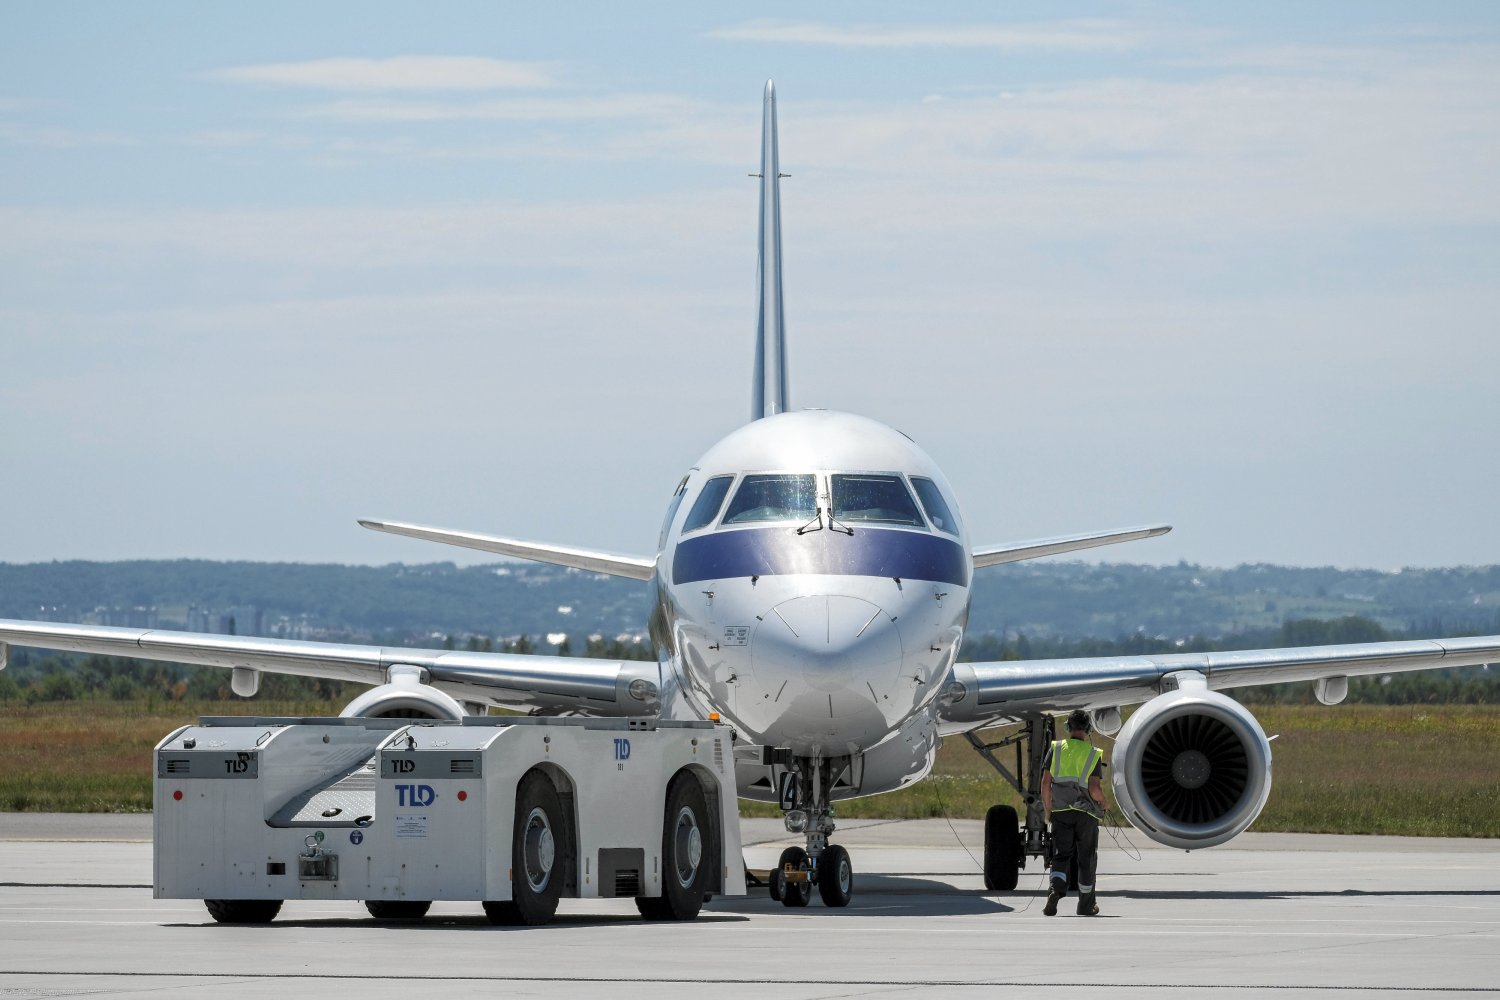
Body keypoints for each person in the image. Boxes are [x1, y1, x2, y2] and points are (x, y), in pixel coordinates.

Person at [1039, 708, 1108, 916]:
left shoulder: (1056, 749)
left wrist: (1049, 809)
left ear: (1067, 727)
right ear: (1088, 729)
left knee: (1061, 855)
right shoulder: (1092, 754)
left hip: (1061, 811)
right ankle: (1086, 905)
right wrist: (1104, 802)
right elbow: (1094, 789)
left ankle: (1055, 891)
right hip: (1086, 814)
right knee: (1086, 858)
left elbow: (1045, 784)